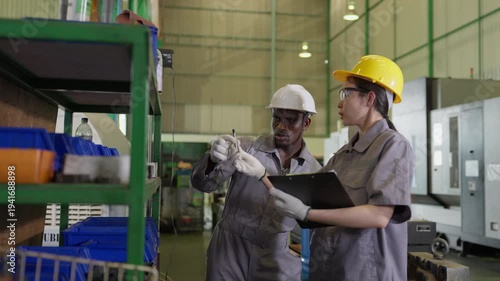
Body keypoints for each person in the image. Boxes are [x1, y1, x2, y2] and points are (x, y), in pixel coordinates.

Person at [233, 55, 414, 281]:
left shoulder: (394, 146)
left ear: (369, 99)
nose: (340, 102)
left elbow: (379, 215)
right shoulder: (346, 153)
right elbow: (304, 192)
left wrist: (307, 214)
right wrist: (261, 173)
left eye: (345, 94)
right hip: (333, 270)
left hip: (365, 274)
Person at [190, 84, 322, 281]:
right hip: (229, 250)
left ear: (306, 123)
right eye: (277, 118)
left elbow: (318, 225)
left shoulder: (313, 171)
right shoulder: (244, 149)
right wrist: (212, 159)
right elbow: (203, 185)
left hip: (275, 254)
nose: (281, 126)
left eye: (291, 120)